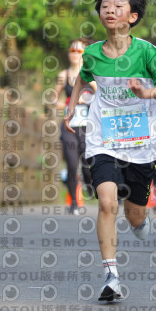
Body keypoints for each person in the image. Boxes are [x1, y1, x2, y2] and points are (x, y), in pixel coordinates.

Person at [64, 0, 156, 302]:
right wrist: (71, 108)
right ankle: (111, 276)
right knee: (107, 202)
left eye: (118, 5)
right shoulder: (94, 53)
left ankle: (140, 218)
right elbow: (82, 81)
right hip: (103, 139)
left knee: (134, 214)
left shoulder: (149, 54)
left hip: (141, 144)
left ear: (133, 16)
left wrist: (147, 93)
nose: (110, 10)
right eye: (104, 5)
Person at [53, 38, 96, 215]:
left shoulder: (90, 74)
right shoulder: (63, 75)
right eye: (72, 50)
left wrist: (84, 100)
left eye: (79, 51)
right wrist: (59, 103)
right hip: (69, 127)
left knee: (87, 165)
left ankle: (90, 187)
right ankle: (73, 204)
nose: (75, 54)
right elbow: (54, 97)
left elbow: (100, 94)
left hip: (87, 127)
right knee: (71, 164)